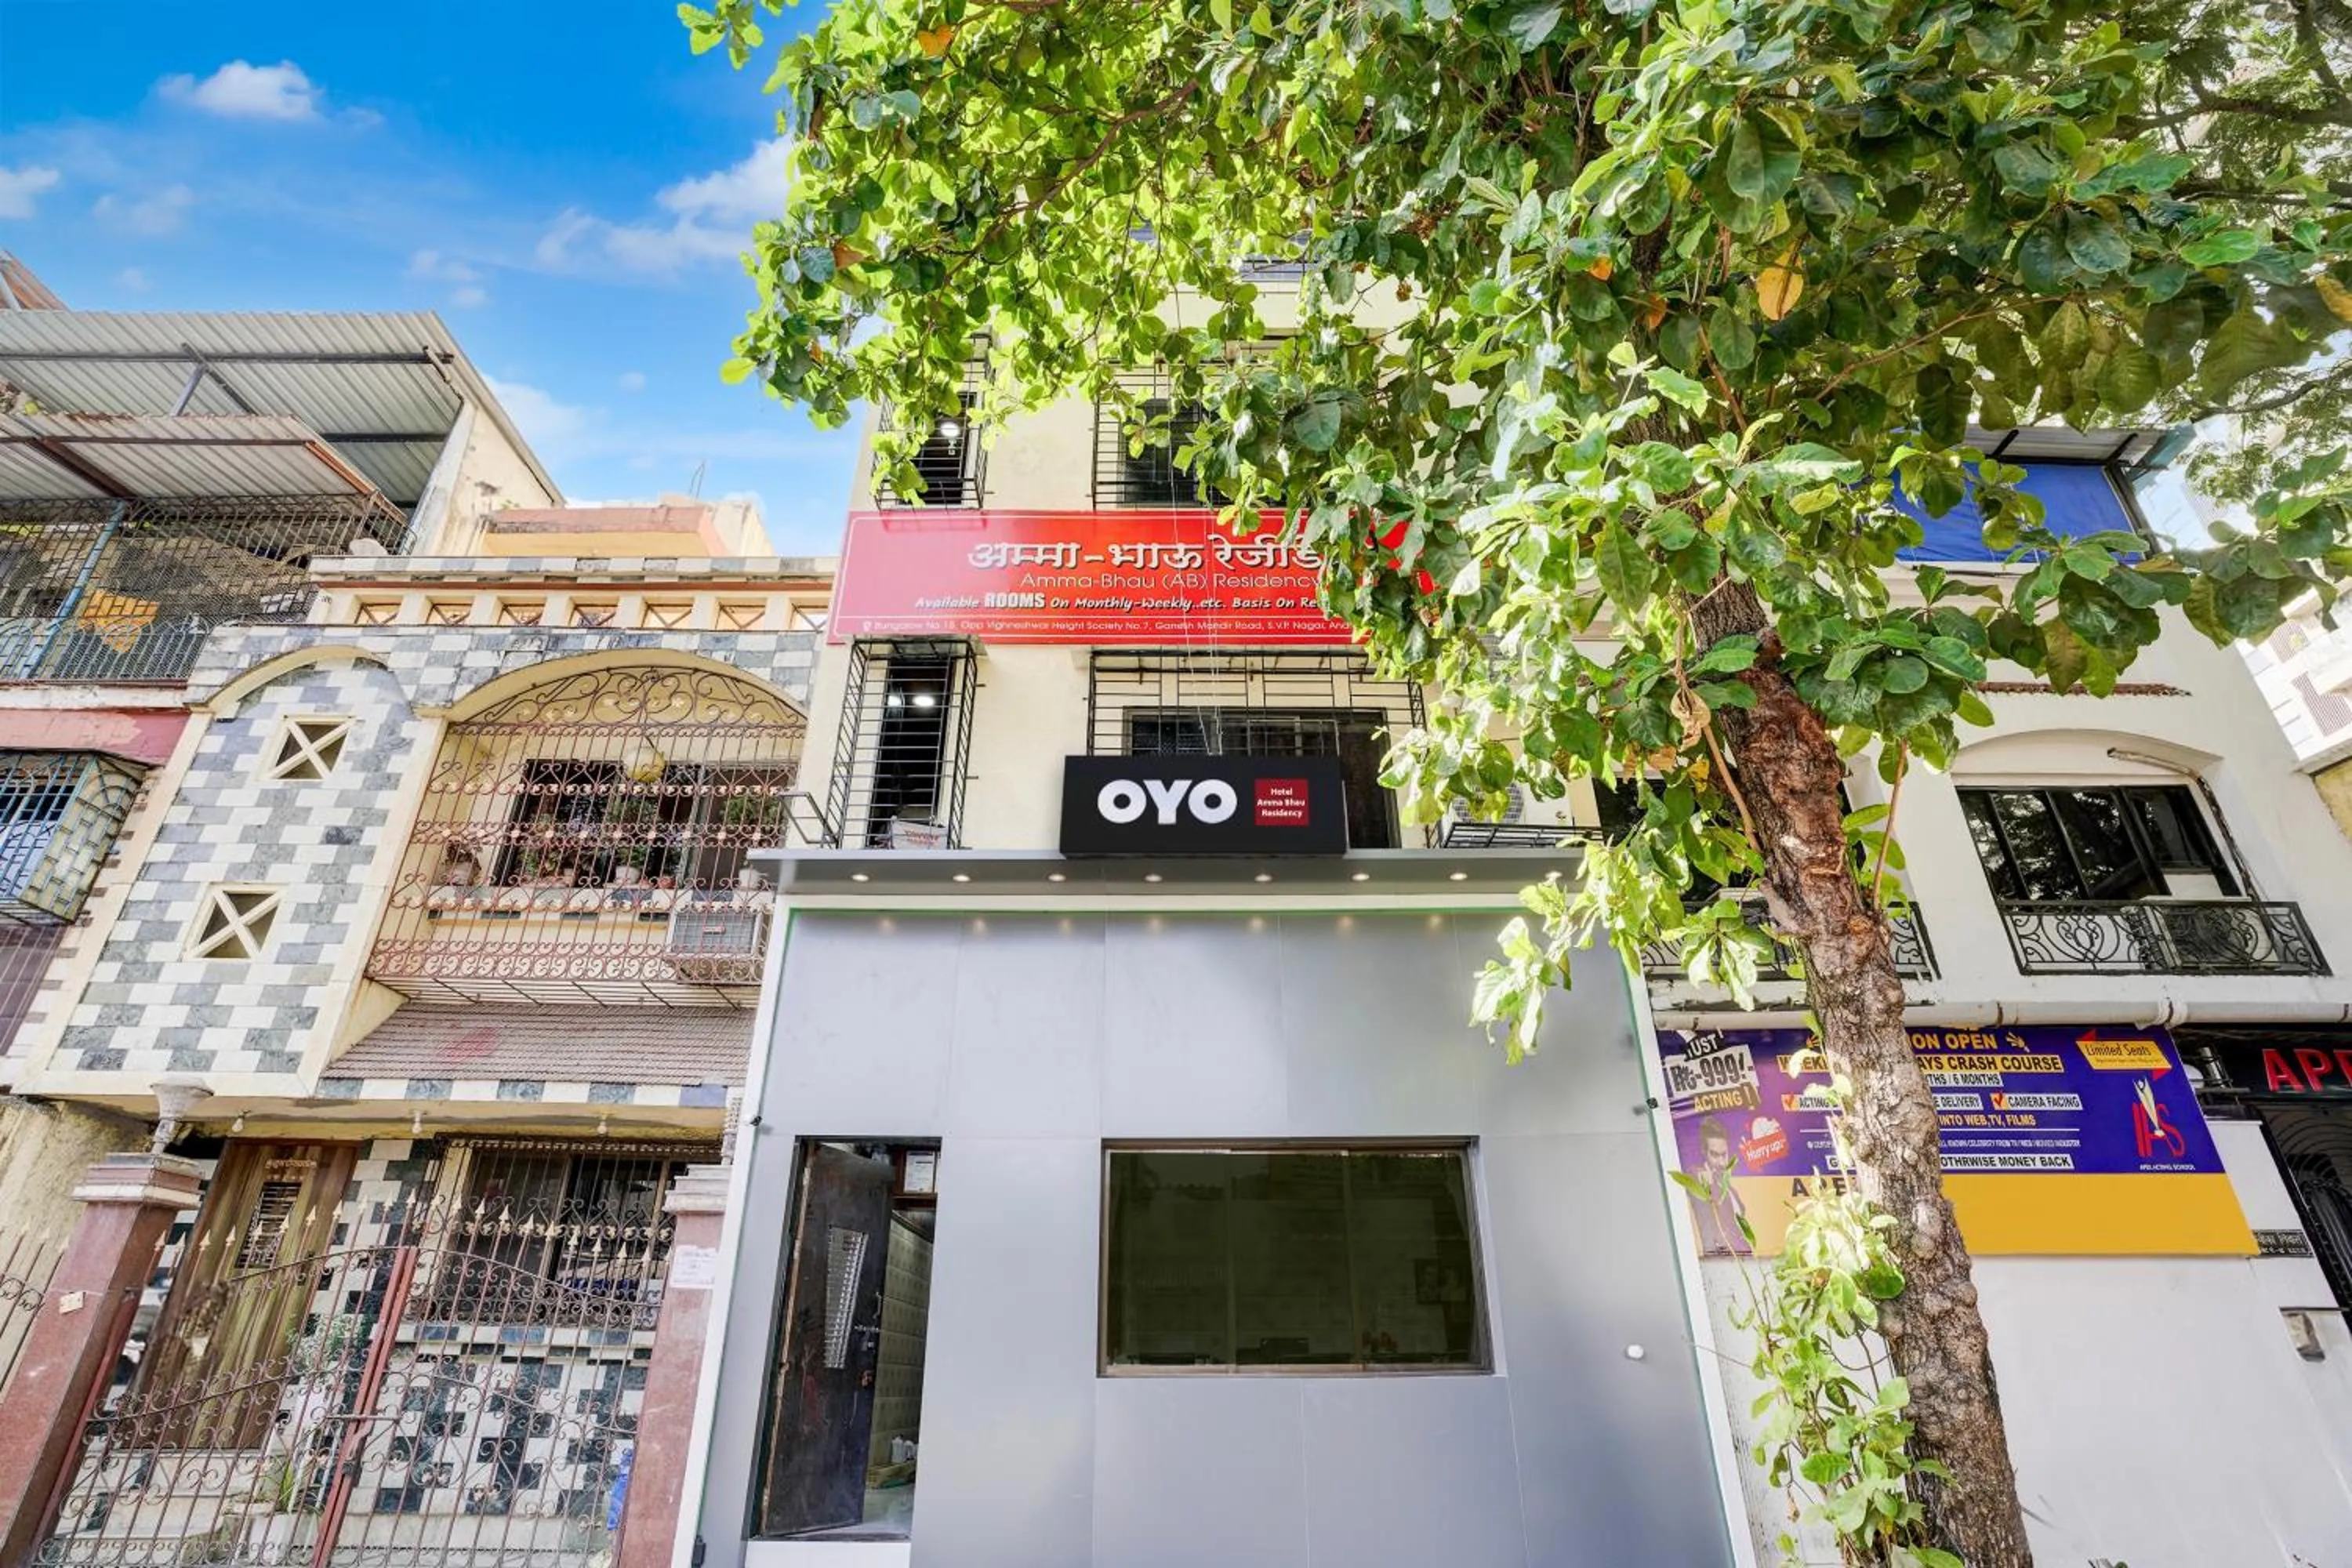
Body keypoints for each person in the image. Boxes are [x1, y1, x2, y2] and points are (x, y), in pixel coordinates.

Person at [1690, 1116, 1751, 1258]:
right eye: (1715, 1155)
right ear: (1704, 1152)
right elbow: (1691, 1176)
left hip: (1745, 1259)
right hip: (1722, 1259)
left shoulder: (1729, 1189)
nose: (1722, 1162)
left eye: (1724, 1154)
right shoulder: (1700, 1177)